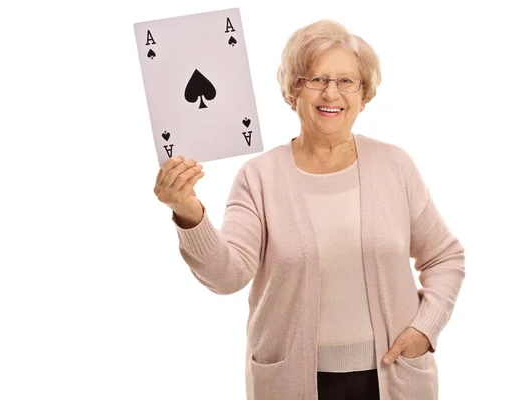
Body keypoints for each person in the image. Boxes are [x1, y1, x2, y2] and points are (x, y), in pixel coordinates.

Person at [153, 19, 465, 400]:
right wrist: (189, 214)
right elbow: (227, 276)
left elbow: (445, 256)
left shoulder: (395, 166)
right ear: (292, 92)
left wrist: (425, 328)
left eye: (347, 81)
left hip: (393, 376)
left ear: (363, 95)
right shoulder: (259, 177)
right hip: (293, 382)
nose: (331, 93)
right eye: (315, 79)